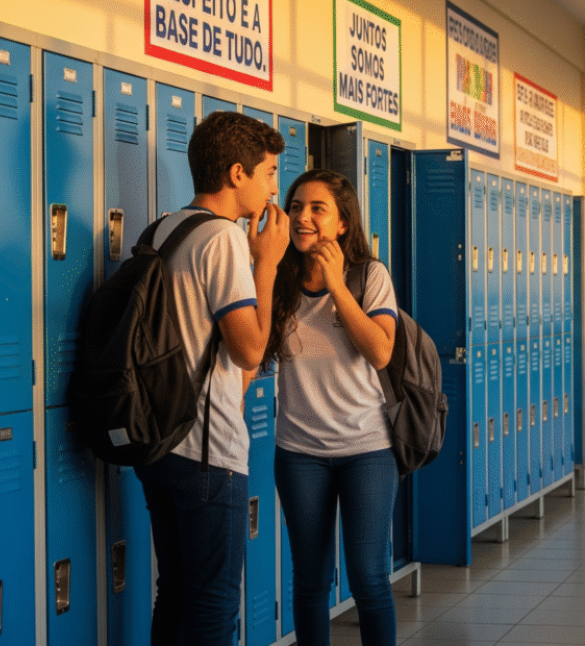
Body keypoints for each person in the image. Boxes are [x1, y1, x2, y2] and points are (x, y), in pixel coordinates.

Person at [134, 111, 289, 644]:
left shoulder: (165, 227)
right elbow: (249, 348)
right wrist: (265, 264)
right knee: (214, 606)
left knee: (174, 593)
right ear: (237, 173)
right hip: (207, 452)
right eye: (270, 173)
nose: (276, 187)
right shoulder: (222, 239)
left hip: (161, 444)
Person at [265, 169, 400, 646]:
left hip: (366, 447)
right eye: (296, 206)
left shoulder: (370, 276)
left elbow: (380, 350)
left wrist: (338, 285)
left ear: (342, 223)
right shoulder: (279, 278)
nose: (303, 217)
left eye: (317, 209)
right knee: (310, 579)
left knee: (368, 576)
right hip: (299, 451)